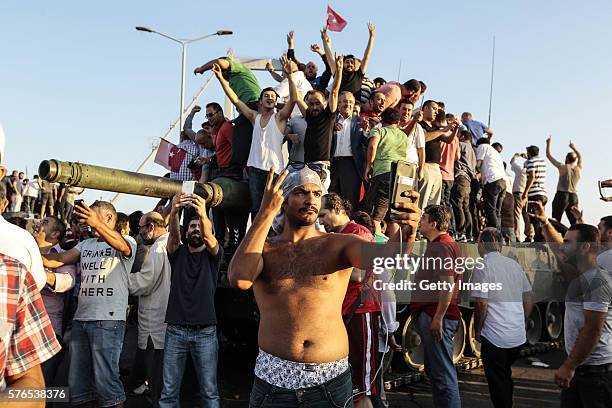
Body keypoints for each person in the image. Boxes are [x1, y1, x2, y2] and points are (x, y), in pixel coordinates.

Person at [228, 166, 421, 408]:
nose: (311, 200)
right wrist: (264, 213)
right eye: (300, 192)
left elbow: (387, 256)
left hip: (330, 384)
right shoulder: (264, 250)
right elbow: (238, 279)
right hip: (273, 383)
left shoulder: (338, 245)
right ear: (282, 201)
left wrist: (408, 231)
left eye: (317, 194)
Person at [42, 200, 137, 408]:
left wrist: (97, 223)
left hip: (108, 321)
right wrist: (28, 249)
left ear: (109, 218)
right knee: (79, 388)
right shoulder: (85, 244)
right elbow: (57, 259)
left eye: (91, 217)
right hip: (81, 320)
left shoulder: (128, 240)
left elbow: (122, 246)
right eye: (86, 218)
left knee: (107, 385)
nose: (87, 223)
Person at [528, 203, 612, 407]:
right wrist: (545, 224)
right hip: (583, 369)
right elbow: (560, 255)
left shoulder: (596, 281)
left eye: (568, 242)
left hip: (596, 373)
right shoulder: (583, 274)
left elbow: (593, 329)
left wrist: (569, 365)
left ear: (584, 247)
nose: (563, 246)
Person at [212, 58, 296, 220]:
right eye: (266, 95)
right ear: (260, 101)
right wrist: (222, 79)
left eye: (273, 96)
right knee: (256, 210)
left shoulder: (280, 118)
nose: (270, 97)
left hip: (274, 171)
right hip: (254, 171)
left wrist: (290, 76)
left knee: (274, 212)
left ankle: (272, 243)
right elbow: (235, 100)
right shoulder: (254, 117)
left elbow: (293, 99)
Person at [159, 193, 222, 408]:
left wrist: (202, 213)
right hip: (175, 330)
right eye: (192, 227)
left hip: (205, 332)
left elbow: (211, 240)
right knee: (169, 392)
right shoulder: (178, 253)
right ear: (187, 232)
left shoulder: (214, 255)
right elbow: (174, 238)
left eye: (199, 227)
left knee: (209, 392)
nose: (196, 229)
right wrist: (175, 212)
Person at [319, 193, 381, 408]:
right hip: (344, 311)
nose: (321, 221)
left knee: (361, 385)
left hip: (360, 310)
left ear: (337, 208)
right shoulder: (338, 235)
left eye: (323, 215)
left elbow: (360, 274)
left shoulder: (359, 233)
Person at [471, 228, 534, 408]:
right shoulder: (513, 265)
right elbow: (529, 296)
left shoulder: (483, 265)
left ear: (482, 243)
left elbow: (481, 304)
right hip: (516, 336)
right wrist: (523, 320)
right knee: (504, 376)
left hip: (495, 337)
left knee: (497, 382)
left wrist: (477, 330)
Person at [411, 205, 462, 408]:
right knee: (437, 372)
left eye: (423, 218)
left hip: (436, 315)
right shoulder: (443, 245)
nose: (420, 221)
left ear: (433, 223)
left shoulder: (440, 247)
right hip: (435, 313)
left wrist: (438, 318)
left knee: (442, 375)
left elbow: (447, 284)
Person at [128, 212, 171, 405]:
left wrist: (122, 280)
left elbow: (145, 281)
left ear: (151, 227)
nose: (140, 233)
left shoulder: (157, 247)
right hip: (165, 311)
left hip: (155, 314)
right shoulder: (170, 242)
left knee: (155, 366)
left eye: (141, 228)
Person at [32, 216, 77, 386]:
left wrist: (37, 272)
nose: (38, 225)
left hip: (48, 330)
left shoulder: (64, 255)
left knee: (43, 389)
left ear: (56, 233)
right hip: (20, 329)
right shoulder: (26, 249)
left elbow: (67, 281)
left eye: (44, 223)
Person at [363, 108, 408, 234]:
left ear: (382, 119)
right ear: (398, 121)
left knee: (375, 218)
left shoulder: (379, 130)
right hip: (400, 177)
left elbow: (372, 146)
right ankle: (396, 251)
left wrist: (368, 166)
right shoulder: (403, 135)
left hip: (383, 174)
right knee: (393, 219)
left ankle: (375, 250)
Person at [329, 91, 368, 210]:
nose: (348, 104)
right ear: (338, 103)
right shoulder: (331, 120)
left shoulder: (360, 121)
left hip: (351, 165)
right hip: (332, 163)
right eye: (345, 101)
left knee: (349, 201)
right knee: (331, 198)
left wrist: (366, 132)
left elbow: (367, 143)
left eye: (351, 102)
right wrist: (331, 127)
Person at [418, 101, 458, 208]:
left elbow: (448, 140)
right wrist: (443, 130)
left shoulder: (435, 128)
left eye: (437, 109)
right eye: (434, 108)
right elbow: (423, 138)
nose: (436, 112)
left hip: (436, 168)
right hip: (425, 165)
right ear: (425, 108)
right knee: (422, 200)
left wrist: (454, 129)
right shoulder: (419, 125)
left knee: (434, 203)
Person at [323, 24, 376, 101]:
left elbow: (366, 57)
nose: (350, 64)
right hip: (339, 107)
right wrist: (324, 40)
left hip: (354, 108)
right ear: (343, 64)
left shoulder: (358, 75)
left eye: (352, 62)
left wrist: (372, 37)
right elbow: (329, 57)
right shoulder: (338, 73)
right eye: (347, 62)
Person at [546, 137, 583, 225]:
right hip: (574, 197)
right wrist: (573, 147)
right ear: (575, 159)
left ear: (566, 159)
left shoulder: (562, 167)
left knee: (555, 221)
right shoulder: (579, 168)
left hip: (562, 195)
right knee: (574, 222)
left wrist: (548, 143)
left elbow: (548, 155)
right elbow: (580, 157)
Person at [476, 137, 507, 230]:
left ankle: (494, 235)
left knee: (490, 210)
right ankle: (499, 236)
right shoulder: (495, 153)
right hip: (502, 182)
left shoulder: (482, 146)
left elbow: (478, 164)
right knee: (497, 212)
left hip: (492, 181)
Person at [522, 145, 548, 242]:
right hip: (543, 193)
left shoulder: (530, 162)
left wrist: (525, 192)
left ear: (529, 153)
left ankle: (539, 239)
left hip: (534, 193)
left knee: (533, 217)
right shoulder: (542, 162)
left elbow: (532, 176)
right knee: (540, 217)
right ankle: (543, 237)